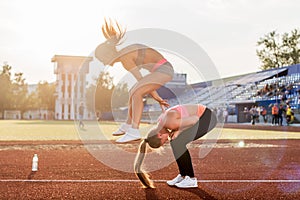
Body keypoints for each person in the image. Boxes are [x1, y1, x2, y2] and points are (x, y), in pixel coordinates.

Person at [95, 19, 174, 143]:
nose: (104, 63)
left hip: (164, 70)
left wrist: (156, 96)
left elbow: (141, 80)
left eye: (103, 60)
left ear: (108, 55)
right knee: (133, 91)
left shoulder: (125, 58)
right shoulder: (124, 55)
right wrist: (156, 96)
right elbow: (143, 82)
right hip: (160, 70)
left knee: (137, 92)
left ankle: (134, 130)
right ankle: (127, 126)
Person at [134, 104, 217, 188]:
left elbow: (194, 120)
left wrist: (179, 130)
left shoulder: (170, 123)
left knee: (179, 142)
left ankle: (191, 179)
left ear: (159, 135)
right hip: (201, 117)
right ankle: (183, 175)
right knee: (175, 141)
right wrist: (178, 130)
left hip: (207, 118)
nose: (166, 140)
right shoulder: (161, 123)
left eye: (164, 141)